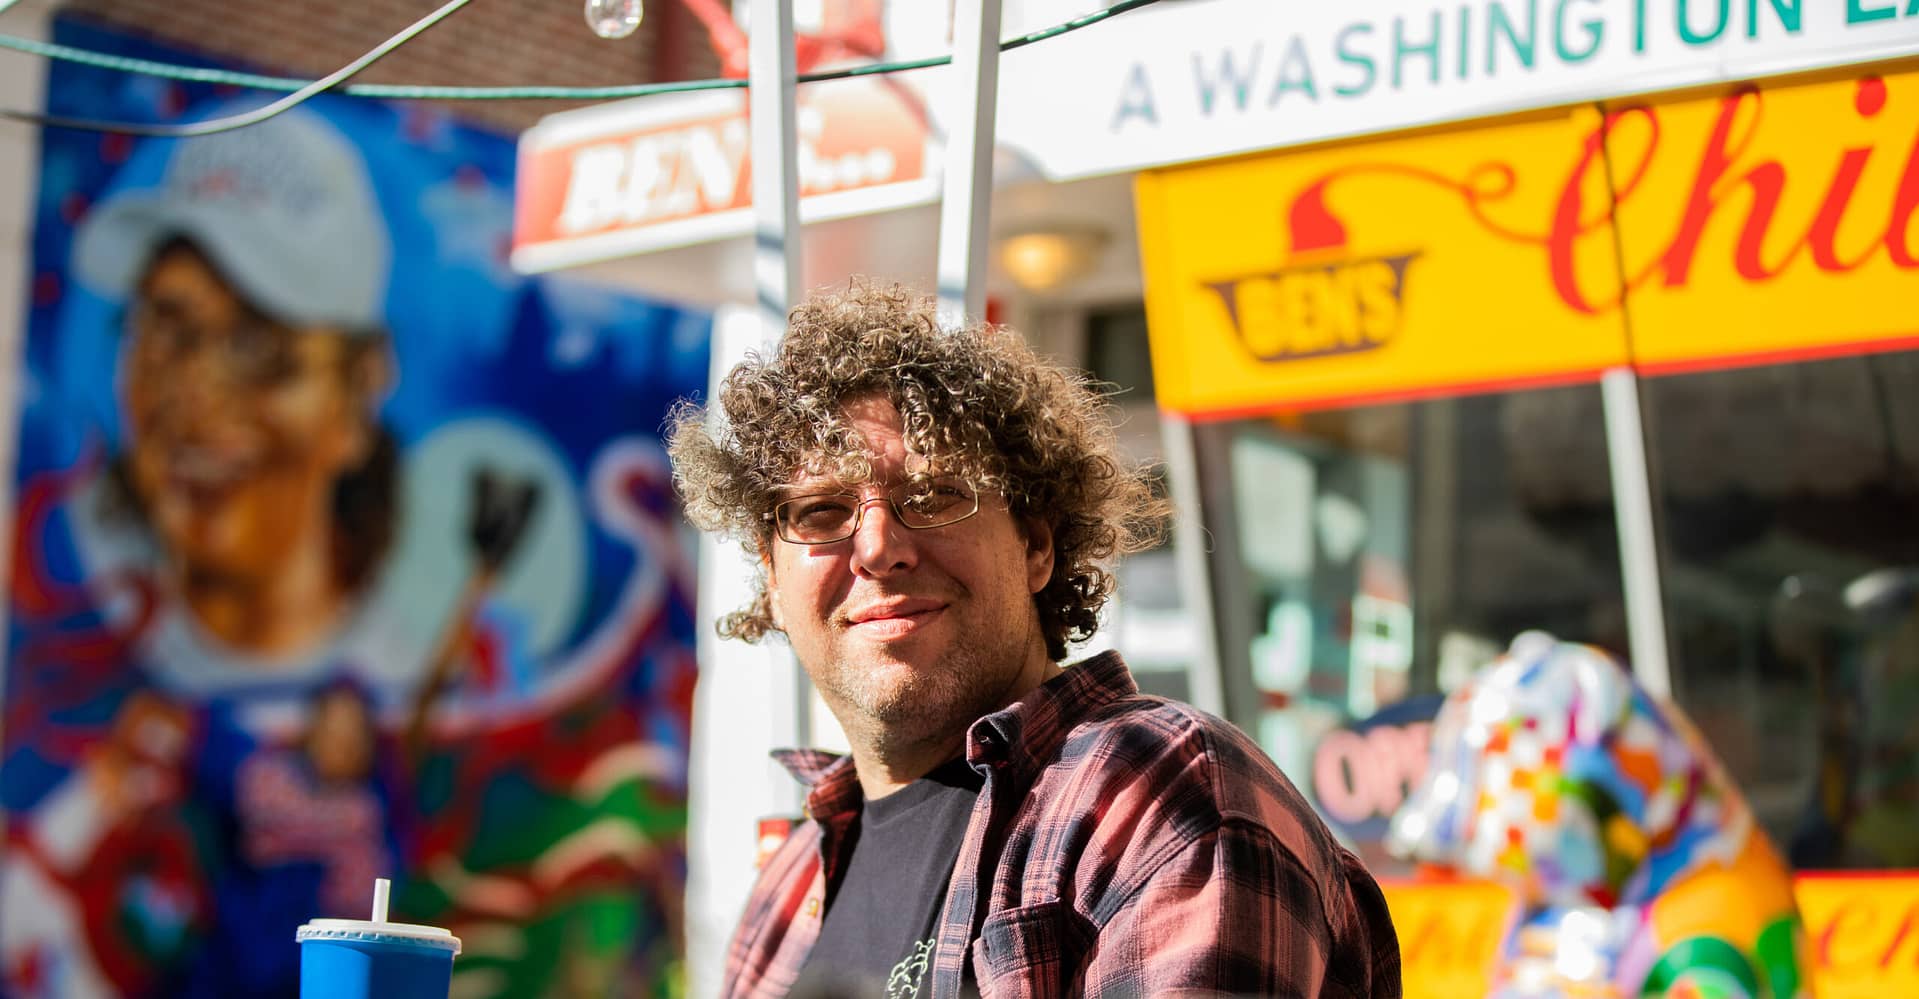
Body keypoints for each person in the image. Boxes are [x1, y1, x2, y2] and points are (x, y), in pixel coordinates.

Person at [667, 284, 1402, 998]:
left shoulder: (1151, 791)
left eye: (932, 497)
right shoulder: (787, 888)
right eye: (821, 511)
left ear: (1036, 545)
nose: (877, 546)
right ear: (770, 575)